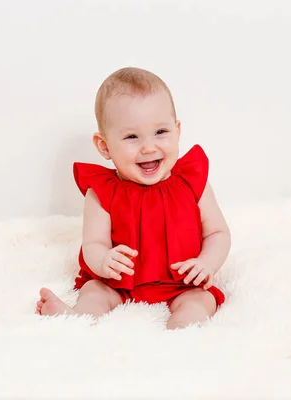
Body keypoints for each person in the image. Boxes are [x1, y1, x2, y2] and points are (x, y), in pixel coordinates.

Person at [36, 67, 231, 329]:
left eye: (161, 132)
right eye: (131, 137)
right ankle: (75, 319)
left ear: (177, 130)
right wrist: (104, 262)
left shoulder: (192, 182)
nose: (148, 147)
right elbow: (94, 244)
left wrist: (206, 263)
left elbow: (218, 233)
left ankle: (182, 333)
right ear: (104, 146)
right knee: (94, 292)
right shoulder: (102, 192)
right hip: (119, 284)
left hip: (182, 283)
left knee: (199, 302)